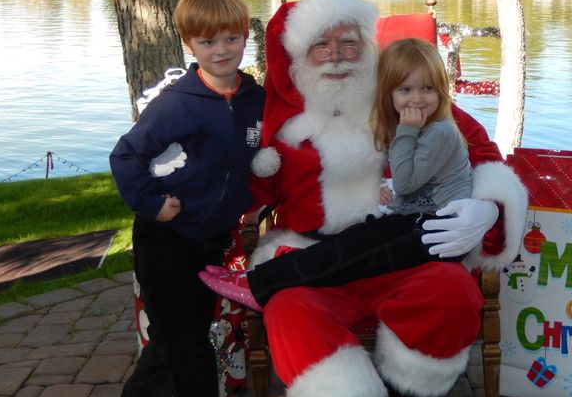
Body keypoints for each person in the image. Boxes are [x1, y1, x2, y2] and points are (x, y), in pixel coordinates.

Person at [226, 0, 528, 397]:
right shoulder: (278, 125)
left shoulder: (403, 97)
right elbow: (245, 189)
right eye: (321, 45)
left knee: (452, 293)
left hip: (403, 253)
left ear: (367, 46)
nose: (336, 55)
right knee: (289, 310)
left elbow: (481, 152)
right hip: (311, 261)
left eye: (349, 42)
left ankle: (410, 389)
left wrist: (488, 208)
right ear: (298, 56)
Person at [199, 37, 474, 310]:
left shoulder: (439, 130)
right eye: (405, 90)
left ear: (441, 90)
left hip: (441, 235)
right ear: (388, 92)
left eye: (427, 88)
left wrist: (407, 131)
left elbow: (406, 181)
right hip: (415, 220)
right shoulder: (412, 122)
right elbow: (413, 182)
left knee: (347, 257)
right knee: (348, 244)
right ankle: (257, 280)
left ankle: (259, 286)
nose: (417, 99)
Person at [110, 0, 265, 397]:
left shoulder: (255, 100)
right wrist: (151, 204)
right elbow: (125, 156)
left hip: (210, 241)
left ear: (246, 36)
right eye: (207, 41)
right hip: (165, 241)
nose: (221, 50)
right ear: (189, 43)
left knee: (171, 344)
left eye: (231, 38)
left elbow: (259, 158)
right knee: (189, 351)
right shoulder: (177, 103)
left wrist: (256, 202)